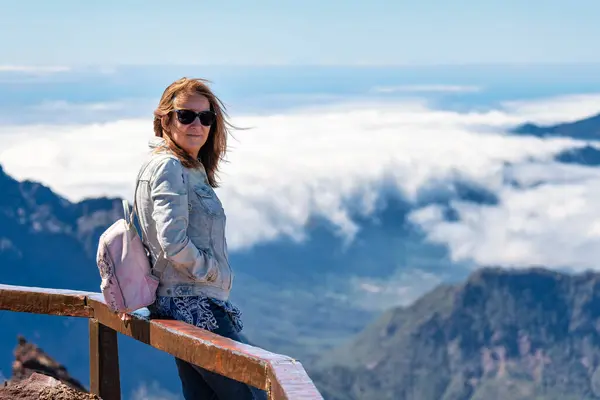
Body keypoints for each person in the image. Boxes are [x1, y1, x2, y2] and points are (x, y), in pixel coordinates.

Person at [132, 77, 266, 400]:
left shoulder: (179, 167)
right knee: (255, 393)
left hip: (180, 306)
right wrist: (212, 271)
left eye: (206, 117)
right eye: (186, 115)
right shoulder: (169, 168)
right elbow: (172, 241)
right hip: (195, 306)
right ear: (165, 119)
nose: (198, 125)